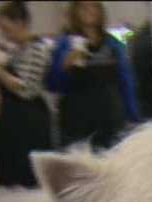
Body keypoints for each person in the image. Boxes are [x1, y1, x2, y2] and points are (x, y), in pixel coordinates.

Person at [0, 1, 54, 188]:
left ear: (21, 23)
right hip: (11, 121)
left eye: (6, 28)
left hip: (29, 124)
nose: (3, 33)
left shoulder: (38, 49)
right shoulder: (15, 51)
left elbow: (25, 89)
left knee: (30, 179)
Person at [46, 1, 140, 149]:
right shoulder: (65, 43)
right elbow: (52, 85)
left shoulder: (113, 43)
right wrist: (64, 65)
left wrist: (133, 116)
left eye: (94, 6)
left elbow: (126, 81)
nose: (89, 10)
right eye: (83, 6)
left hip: (111, 116)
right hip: (77, 119)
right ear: (75, 11)